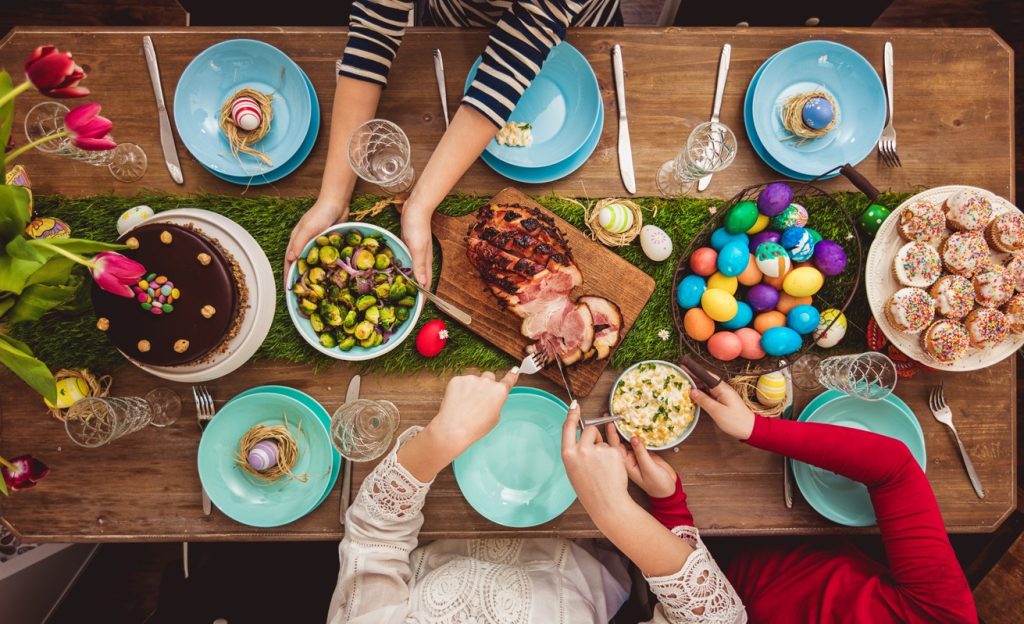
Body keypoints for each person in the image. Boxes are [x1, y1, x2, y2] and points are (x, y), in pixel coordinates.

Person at [329, 369, 747, 623]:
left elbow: (372, 539)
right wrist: (617, 510)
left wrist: (442, 438)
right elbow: (718, 618)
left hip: (442, 524)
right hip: (602, 541)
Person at [570, 378, 978, 624]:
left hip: (697, 567)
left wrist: (664, 506)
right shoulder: (942, 618)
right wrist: (754, 428)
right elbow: (895, 469)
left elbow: (705, 610)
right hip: (781, 540)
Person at [286, 0, 621, 286]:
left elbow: (517, 53)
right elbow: (374, 30)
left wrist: (421, 205)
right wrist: (333, 195)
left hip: (575, 26)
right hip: (456, 19)